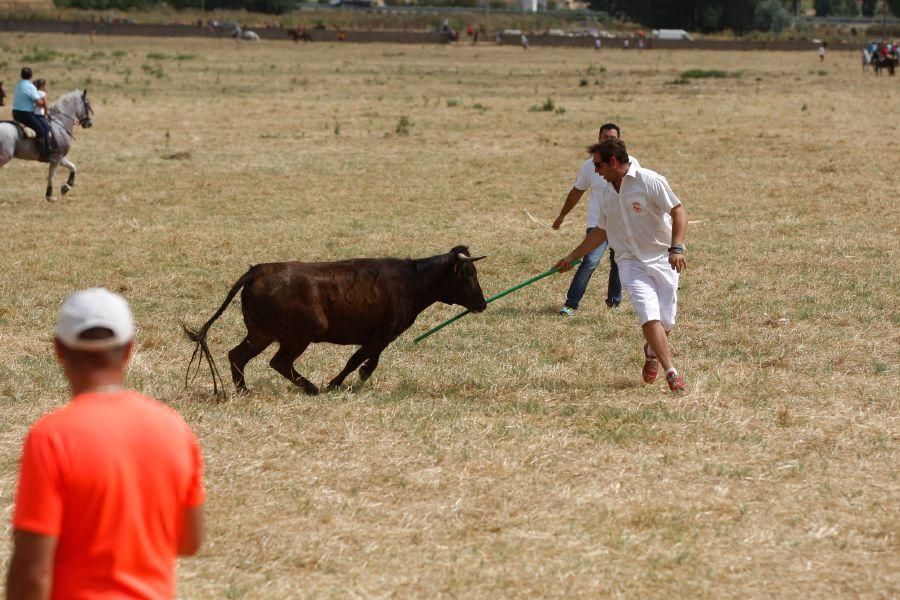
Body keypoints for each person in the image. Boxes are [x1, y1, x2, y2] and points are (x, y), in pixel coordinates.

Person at [6, 288, 205, 598]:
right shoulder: (174, 428)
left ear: (59, 349)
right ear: (129, 350)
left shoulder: (51, 436)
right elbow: (190, 541)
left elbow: (32, 571)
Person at [554, 138, 689, 393]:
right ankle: (672, 373)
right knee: (648, 315)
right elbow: (600, 232)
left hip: (661, 258)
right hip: (629, 262)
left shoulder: (650, 180)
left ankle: (651, 352)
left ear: (613, 162)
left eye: (598, 165)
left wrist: (676, 248)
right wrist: (572, 257)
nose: (595, 171)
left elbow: (678, 211)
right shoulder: (605, 192)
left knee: (666, 321)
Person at [553, 123, 639, 315]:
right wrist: (562, 215)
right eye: (605, 137)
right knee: (589, 261)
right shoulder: (589, 165)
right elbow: (577, 191)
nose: (608, 141)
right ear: (598, 139)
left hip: (622, 224)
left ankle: (614, 303)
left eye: (612, 138)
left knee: (618, 263)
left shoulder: (631, 164)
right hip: (598, 225)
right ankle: (571, 303)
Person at [11, 67, 50, 161]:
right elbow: (39, 103)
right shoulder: (30, 86)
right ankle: (43, 154)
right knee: (42, 130)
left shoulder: (17, 85)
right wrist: (44, 100)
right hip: (26, 114)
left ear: (21, 75)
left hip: (15, 113)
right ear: (31, 76)